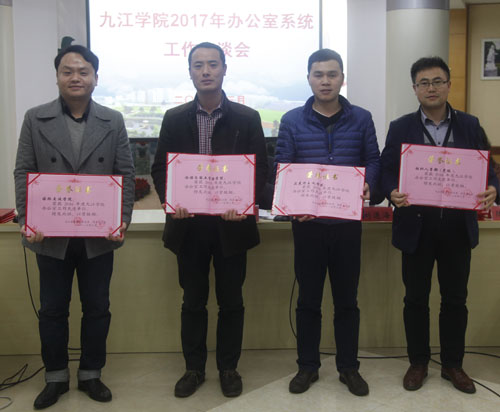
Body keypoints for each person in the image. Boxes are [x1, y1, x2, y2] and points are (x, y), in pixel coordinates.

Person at [13, 45, 135, 409]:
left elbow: (125, 173)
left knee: (97, 306)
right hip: (51, 234)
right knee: (53, 308)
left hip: (99, 234)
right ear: (57, 77)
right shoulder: (36, 118)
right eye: (67, 71)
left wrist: (122, 219)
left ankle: (91, 374)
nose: (75, 77)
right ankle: (55, 377)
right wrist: (28, 219)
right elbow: (24, 170)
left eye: (83, 71)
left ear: (96, 78)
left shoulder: (113, 120)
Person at [151, 42, 268, 398]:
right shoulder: (174, 118)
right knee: (193, 301)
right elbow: (160, 168)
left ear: (224, 69)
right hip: (189, 227)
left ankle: (228, 368)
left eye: (213, 64)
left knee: (231, 301)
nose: (206, 71)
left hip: (232, 226)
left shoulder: (247, 118)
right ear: (189, 71)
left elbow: (260, 169)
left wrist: (244, 203)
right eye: (198, 65)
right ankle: (194, 368)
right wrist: (173, 201)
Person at [380, 56, 499, 394]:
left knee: (455, 300)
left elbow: (489, 169)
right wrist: (391, 191)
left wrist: (493, 188)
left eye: (437, 81)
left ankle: (452, 364)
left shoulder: (470, 125)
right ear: (415, 88)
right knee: (415, 299)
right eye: (424, 83)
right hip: (415, 228)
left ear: (448, 84)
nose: (431, 88)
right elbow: (387, 169)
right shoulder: (400, 127)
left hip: (457, 229)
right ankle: (418, 362)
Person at [274, 49, 380, 396]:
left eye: (332, 74)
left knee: (347, 300)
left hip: (347, 226)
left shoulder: (361, 118)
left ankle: (349, 367)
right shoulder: (292, 120)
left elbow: (373, 160)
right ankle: (307, 366)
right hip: (308, 227)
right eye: (318, 74)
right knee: (308, 300)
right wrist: (292, 206)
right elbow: (283, 166)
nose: (325, 81)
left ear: (342, 79)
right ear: (308, 78)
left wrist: (369, 183)